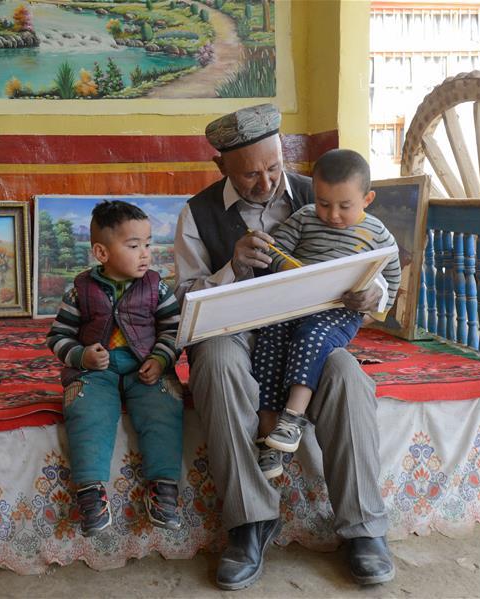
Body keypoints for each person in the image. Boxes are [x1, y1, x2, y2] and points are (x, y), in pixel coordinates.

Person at [174, 104, 396, 589]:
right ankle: (250, 523)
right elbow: (184, 299)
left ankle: (362, 528)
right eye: (251, 174)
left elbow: (378, 267)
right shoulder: (198, 213)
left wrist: (372, 295)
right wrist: (231, 266)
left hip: (307, 331)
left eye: (274, 166)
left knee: (347, 377)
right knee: (214, 364)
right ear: (221, 168)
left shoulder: (321, 194)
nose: (266, 181)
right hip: (233, 332)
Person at [253, 149, 402, 473]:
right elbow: (276, 249)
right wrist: (292, 269)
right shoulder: (305, 217)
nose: (332, 214)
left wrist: (375, 308)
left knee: (311, 337)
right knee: (269, 340)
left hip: (339, 312)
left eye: (344, 206)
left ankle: (292, 418)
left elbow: (392, 276)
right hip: (296, 304)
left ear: (367, 198)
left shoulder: (377, 233)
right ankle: (268, 441)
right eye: (324, 203)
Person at [47, 200, 184, 536]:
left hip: (146, 367)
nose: (145, 254)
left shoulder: (157, 286)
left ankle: (164, 488)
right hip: (97, 370)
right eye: (134, 246)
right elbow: (58, 336)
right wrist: (82, 356)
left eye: (148, 245)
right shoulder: (80, 290)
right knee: (85, 410)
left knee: (163, 407)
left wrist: (161, 359)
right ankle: (90, 492)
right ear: (102, 252)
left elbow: (174, 329)